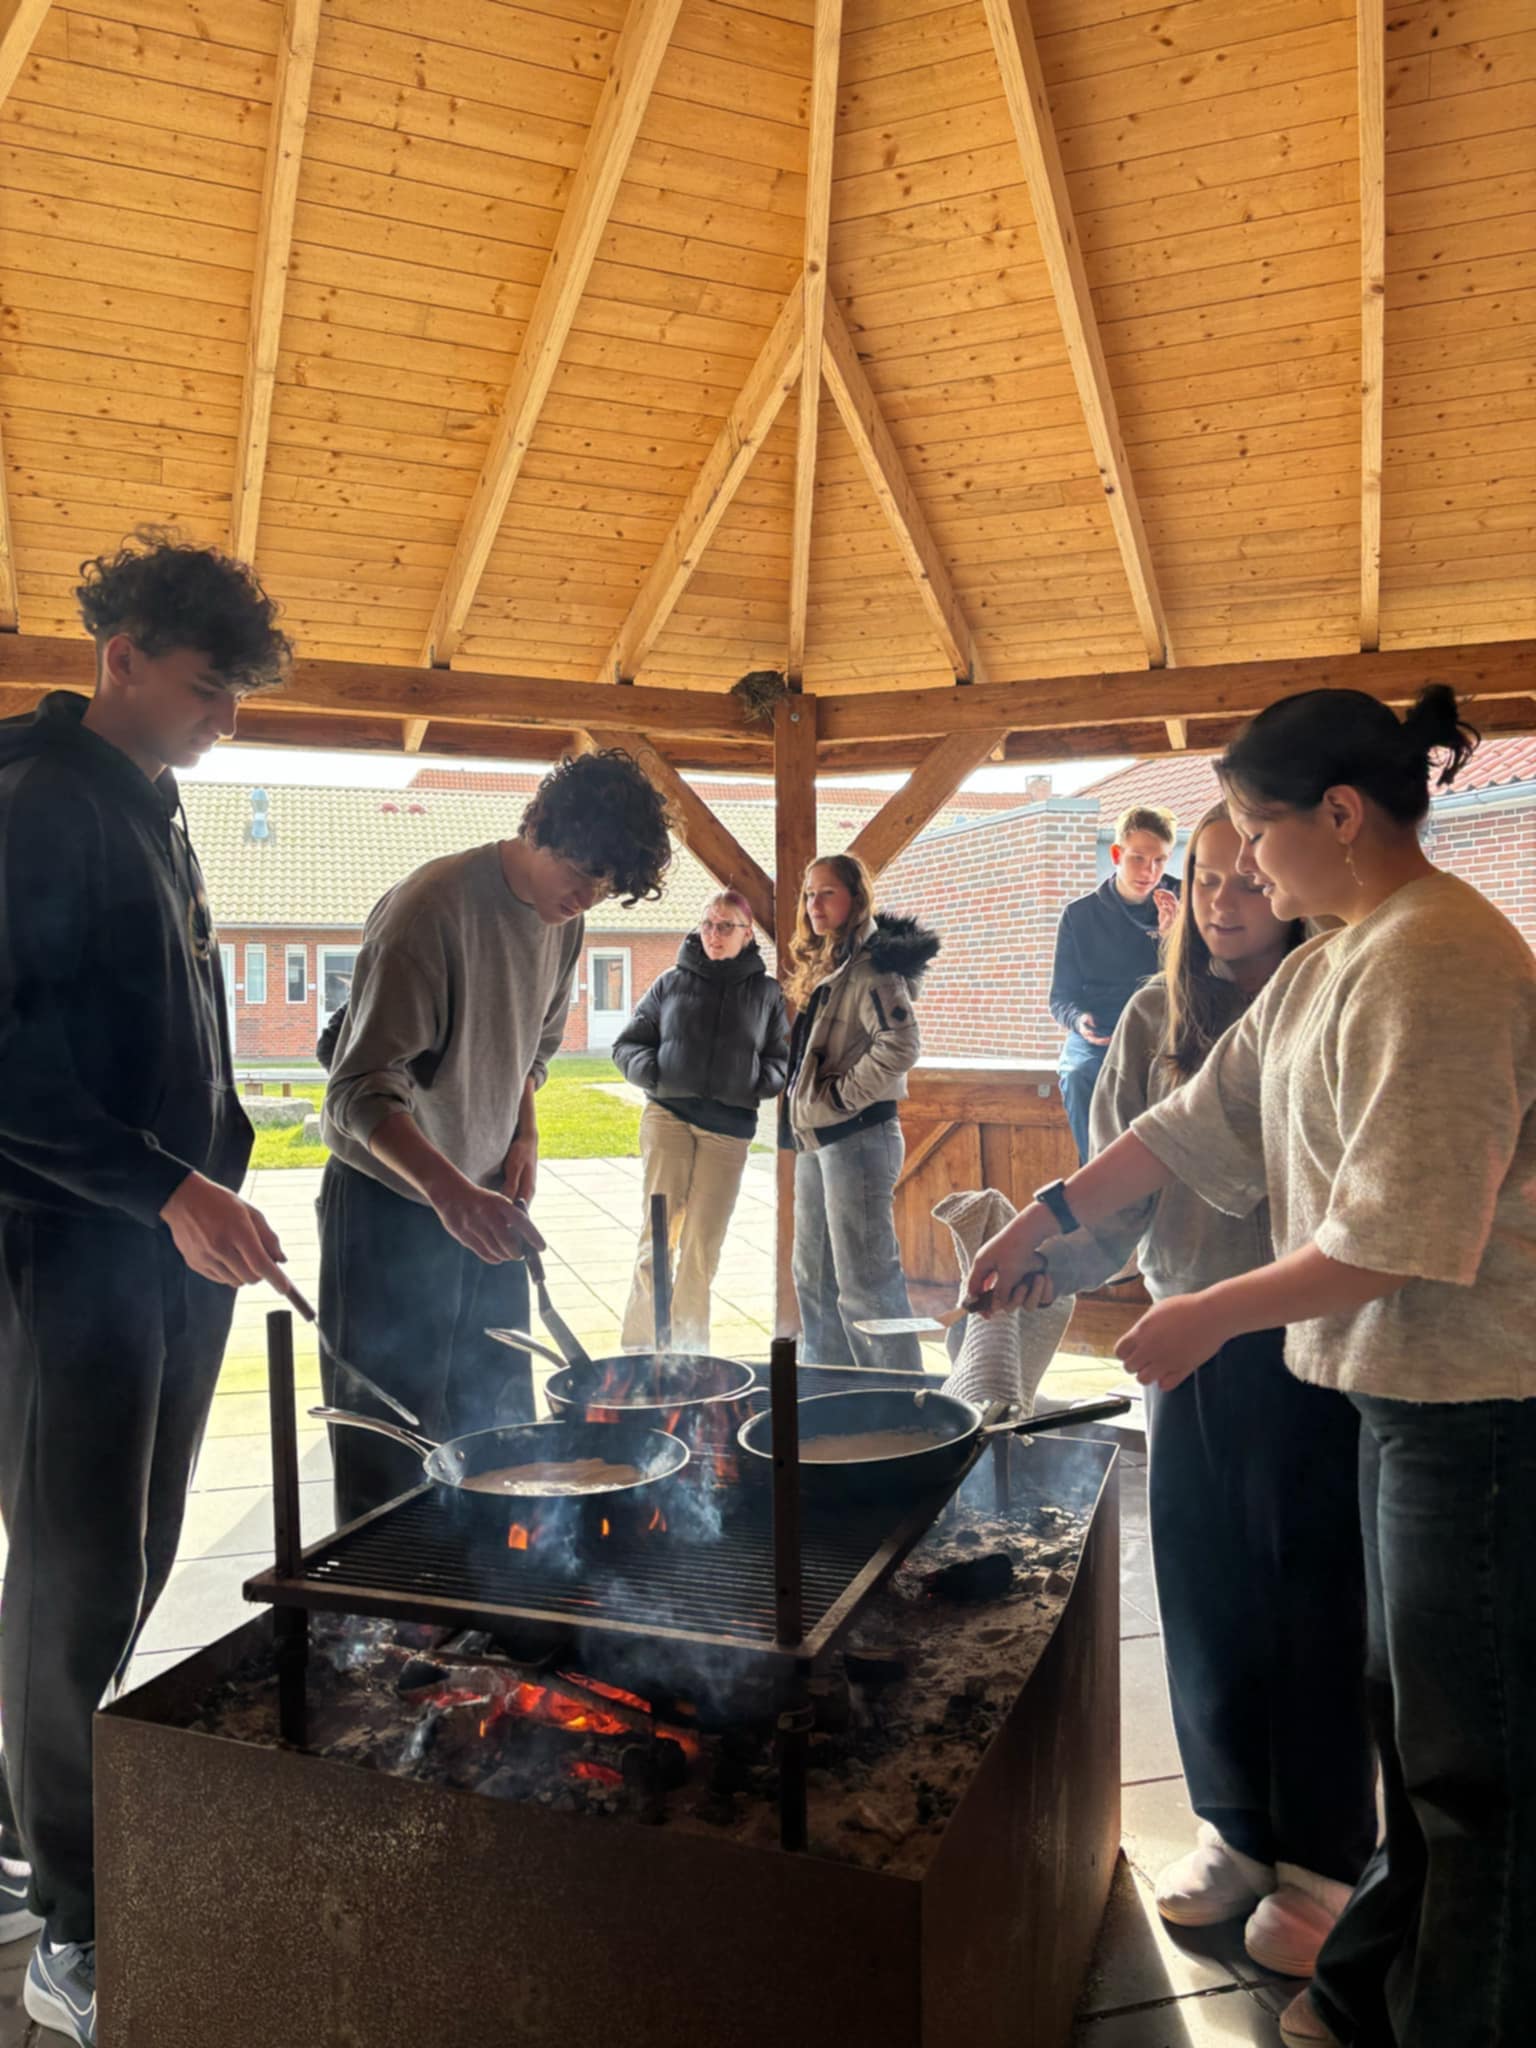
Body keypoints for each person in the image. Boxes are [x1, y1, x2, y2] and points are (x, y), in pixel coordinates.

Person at [967, 686, 1536, 2048]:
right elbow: (1190, 1119)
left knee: (1475, 1776)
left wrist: (1207, 1314)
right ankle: (1368, 1994)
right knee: (1416, 1740)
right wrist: (1045, 1222)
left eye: (1256, 832)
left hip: (1480, 1413)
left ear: (1338, 815)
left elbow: (1398, 1233)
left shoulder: (1440, 957)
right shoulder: (1336, 959)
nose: (1242, 870)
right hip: (1400, 1399)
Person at [0, 532, 293, 2046]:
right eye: (206, 688)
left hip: (165, 1252)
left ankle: (19, 1831)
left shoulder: (150, 798)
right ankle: (74, 1923)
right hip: (66, 1259)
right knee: (73, 1581)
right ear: (121, 658)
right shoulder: (39, 803)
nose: (224, 720)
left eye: (237, 696)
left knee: (127, 1559)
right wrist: (170, 1188)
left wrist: (215, 1175)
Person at [1027, 803, 1374, 1980]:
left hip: (1315, 1338)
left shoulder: (1334, 996)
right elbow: (1115, 1189)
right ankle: (1234, 1826)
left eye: (1246, 878)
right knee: (1203, 1579)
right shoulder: (1150, 1015)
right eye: (1206, 880)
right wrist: (1046, 1258)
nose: (1226, 901)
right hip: (1185, 1335)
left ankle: (1325, 1856)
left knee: (1315, 1591)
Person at [318, 749, 673, 1524]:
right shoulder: (431, 910)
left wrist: (525, 1136)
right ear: (541, 826)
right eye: (583, 872)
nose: (587, 896)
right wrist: (450, 1194)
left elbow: (533, 1049)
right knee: (393, 1437)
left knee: (499, 1420)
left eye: (607, 886)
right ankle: (385, 1592)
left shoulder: (563, 923)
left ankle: (493, 1583)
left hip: (480, 1197)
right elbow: (356, 1091)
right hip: (391, 1203)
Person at [781, 854, 939, 1373]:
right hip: (818, 1138)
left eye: (827, 892)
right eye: (809, 894)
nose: (814, 904)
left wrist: (839, 1099)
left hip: (859, 1138)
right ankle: (828, 1389)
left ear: (855, 899)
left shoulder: (873, 968)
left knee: (866, 1285)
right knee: (813, 1276)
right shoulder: (831, 963)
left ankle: (898, 1398)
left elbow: (901, 1044)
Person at [612, 890, 789, 1352]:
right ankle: (640, 1353)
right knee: (657, 1239)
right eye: (708, 924)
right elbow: (627, 1044)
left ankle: (689, 1358)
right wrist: (655, 1074)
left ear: (747, 934)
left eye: (726, 926)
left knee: (701, 1248)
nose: (714, 934)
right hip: (668, 1118)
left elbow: (781, 1058)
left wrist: (755, 1082)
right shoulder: (670, 983)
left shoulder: (767, 994)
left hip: (728, 1132)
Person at [1050, 803, 1180, 1160]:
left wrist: (1173, 939)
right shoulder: (1080, 914)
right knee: (1078, 1075)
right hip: (1100, 1033)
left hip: (1163, 1028)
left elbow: (1202, 978)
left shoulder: (1184, 900)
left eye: (1160, 860)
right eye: (1138, 858)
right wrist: (1078, 1020)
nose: (1150, 871)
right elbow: (1060, 998)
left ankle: (1161, 1184)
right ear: (1117, 855)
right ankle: (1095, 1179)